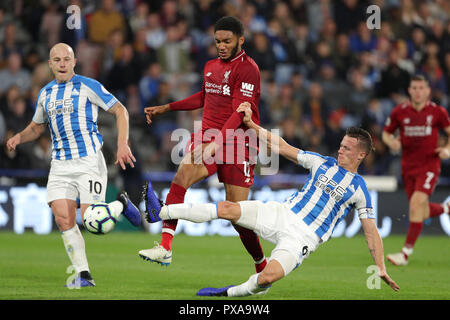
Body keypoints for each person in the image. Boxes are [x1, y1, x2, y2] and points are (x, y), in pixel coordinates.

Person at [142, 102, 400, 297]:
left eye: (347, 148)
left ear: (361, 155)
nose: (340, 150)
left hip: (303, 237)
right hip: (282, 213)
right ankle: (162, 212)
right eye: (341, 145)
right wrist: (253, 126)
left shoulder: (360, 190)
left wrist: (380, 267)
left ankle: (228, 293)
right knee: (229, 209)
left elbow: (371, 232)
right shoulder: (322, 162)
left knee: (268, 278)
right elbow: (283, 146)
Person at [6, 43, 141, 288]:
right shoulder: (46, 93)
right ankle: (83, 275)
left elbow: (121, 111)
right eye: (56, 60)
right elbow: (37, 127)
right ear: (50, 64)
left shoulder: (88, 86)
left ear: (74, 61)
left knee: (92, 221)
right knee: (63, 218)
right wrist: (19, 136)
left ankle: (121, 203)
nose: (62, 64)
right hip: (59, 164)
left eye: (66, 59)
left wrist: (122, 144)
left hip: (88, 159)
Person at [140, 16, 267, 272]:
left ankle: (262, 266)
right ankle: (165, 247)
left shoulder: (248, 69)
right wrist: (168, 107)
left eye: (227, 41)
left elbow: (239, 113)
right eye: (218, 41)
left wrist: (216, 144)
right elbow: (205, 95)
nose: (221, 45)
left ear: (240, 40)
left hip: (237, 142)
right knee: (183, 174)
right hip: (208, 135)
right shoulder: (210, 66)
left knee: (238, 217)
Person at [382, 75, 450, 266]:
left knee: (415, 205)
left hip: (429, 165)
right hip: (407, 167)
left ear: (428, 90)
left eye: (422, 87)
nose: (418, 91)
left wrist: (447, 150)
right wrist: (392, 142)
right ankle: (446, 209)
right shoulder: (400, 111)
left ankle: (404, 254)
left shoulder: (438, 112)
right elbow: (386, 133)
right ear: (409, 91)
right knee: (420, 209)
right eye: (414, 88)